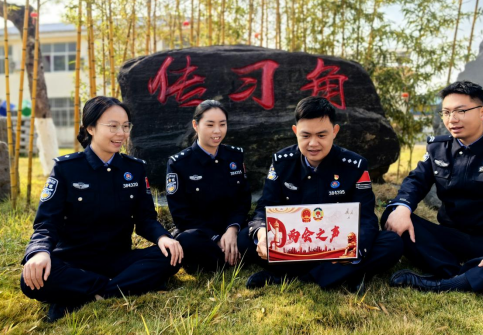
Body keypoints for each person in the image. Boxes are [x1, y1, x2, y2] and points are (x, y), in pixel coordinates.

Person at [381, 81, 483, 310]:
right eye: (446, 112)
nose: (452, 119)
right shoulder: (438, 148)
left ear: (482, 112)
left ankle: (448, 282)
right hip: (450, 238)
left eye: (461, 111)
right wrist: (403, 208)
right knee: (393, 214)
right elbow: (415, 181)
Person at [20, 96, 183, 322]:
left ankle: (83, 293)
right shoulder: (66, 169)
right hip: (73, 261)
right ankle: (118, 287)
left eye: (125, 126)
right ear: (91, 128)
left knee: (170, 255)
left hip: (118, 259)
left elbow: (145, 219)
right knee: (31, 279)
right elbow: (47, 223)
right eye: (113, 126)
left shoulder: (134, 169)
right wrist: (39, 252)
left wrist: (163, 238)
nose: (121, 133)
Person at [238, 96, 403, 291]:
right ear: (295, 132)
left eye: (322, 135)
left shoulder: (355, 166)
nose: (313, 143)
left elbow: (366, 218)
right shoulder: (282, 162)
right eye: (305, 135)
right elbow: (265, 206)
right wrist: (262, 232)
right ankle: (344, 275)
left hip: (338, 244)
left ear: (335, 132)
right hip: (296, 242)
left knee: (391, 243)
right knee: (245, 239)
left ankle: (290, 277)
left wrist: (352, 251)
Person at [166, 100, 251, 271]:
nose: (217, 131)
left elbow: (243, 200)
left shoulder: (234, 156)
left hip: (231, 231)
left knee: (252, 236)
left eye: (222, 124)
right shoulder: (179, 163)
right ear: (195, 125)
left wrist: (232, 230)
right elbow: (181, 215)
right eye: (210, 125)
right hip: (201, 234)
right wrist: (216, 239)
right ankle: (232, 257)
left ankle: (221, 259)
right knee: (187, 241)